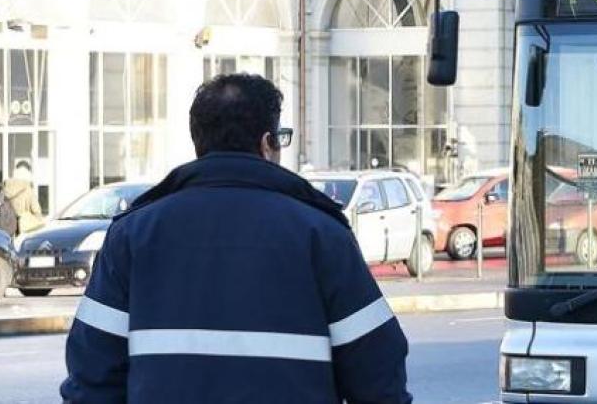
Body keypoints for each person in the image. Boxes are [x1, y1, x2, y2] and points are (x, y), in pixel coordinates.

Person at [60, 74, 413, 403]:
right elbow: (379, 375)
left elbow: (92, 374)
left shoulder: (132, 235)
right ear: (267, 143)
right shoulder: (321, 234)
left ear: (199, 142)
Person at [4, 160, 45, 235]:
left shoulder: (5, 188)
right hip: (23, 228)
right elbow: (36, 210)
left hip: (7, 227)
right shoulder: (28, 189)